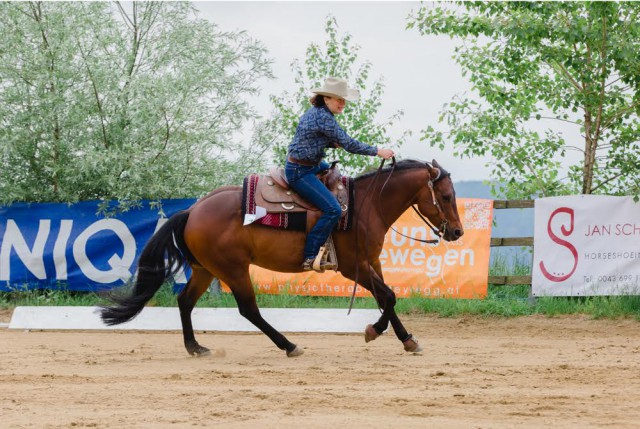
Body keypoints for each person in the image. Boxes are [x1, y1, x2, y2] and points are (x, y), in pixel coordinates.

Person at [285, 77, 395, 271]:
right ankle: (310, 256)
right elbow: (350, 144)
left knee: (335, 175)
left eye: (344, 99)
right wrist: (377, 151)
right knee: (333, 209)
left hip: (311, 164)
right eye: (338, 99)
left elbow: (309, 137)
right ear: (326, 98)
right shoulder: (324, 118)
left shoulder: (318, 113)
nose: (342, 103)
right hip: (300, 171)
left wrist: (328, 143)